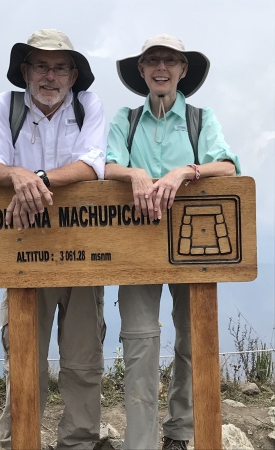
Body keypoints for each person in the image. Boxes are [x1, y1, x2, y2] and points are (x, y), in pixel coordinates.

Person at [105, 34, 241, 450]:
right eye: (152, 60)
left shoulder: (201, 118)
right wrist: (136, 174)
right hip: (136, 248)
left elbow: (228, 166)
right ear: (142, 71)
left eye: (169, 60)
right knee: (140, 345)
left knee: (192, 340)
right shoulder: (125, 120)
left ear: (183, 70)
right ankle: (140, 443)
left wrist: (185, 171)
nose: (160, 68)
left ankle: (180, 434)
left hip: (196, 246)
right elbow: (108, 166)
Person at [0, 29, 106, 450]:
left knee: (84, 360)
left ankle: (79, 443)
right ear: (25, 70)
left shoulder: (89, 107)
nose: (50, 76)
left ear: (73, 75)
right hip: (23, 255)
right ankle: (19, 441)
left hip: (83, 254)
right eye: (41, 66)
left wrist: (39, 179)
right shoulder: (5, 106)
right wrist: (16, 175)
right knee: (24, 360)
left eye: (60, 67)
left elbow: (93, 164)